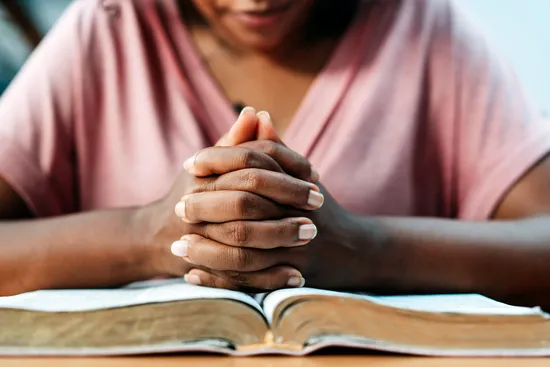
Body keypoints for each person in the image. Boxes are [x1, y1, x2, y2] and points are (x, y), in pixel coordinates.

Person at [1, 0, 550, 309]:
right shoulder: (108, 28)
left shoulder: (425, 29)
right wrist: (151, 236)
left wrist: (364, 247)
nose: (255, 1)